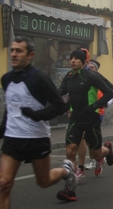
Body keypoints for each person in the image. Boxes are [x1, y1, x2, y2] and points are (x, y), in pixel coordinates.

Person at [0, 36, 74, 208]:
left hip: (36, 137)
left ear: (30, 55)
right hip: (12, 138)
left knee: (44, 181)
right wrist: (2, 129)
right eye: (12, 50)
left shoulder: (39, 78)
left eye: (19, 51)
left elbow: (59, 106)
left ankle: (66, 170)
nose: (14, 54)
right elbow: (10, 108)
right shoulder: (6, 79)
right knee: (4, 183)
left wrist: (36, 115)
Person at [57, 49, 113, 201]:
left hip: (91, 119)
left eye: (77, 59)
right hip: (76, 119)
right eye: (71, 58)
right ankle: (70, 189)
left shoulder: (91, 75)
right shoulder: (69, 77)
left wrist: (95, 105)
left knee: (95, 154)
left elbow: (109, 92)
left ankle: (106, 150)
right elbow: (60, 91)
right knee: (70, 151)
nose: (73, 61)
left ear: (84, 62)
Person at [76, 59, 112, 177]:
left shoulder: (98, 79)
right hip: (84, 113)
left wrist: (103, 103)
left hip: (97, 112)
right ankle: (98, 158)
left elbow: (110, 92)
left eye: (92, 67)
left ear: (96, 70)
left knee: (88, 138)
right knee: (85, 139)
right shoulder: (84, 79)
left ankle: (96, 158)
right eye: (89, 66)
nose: (90, 68)